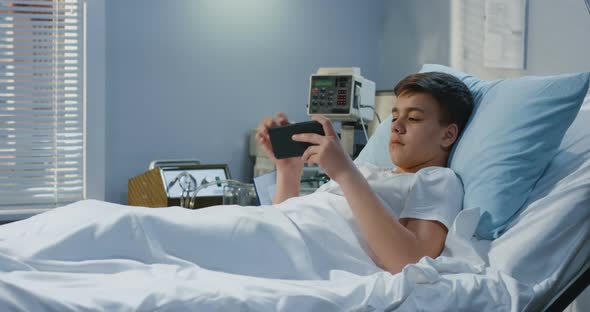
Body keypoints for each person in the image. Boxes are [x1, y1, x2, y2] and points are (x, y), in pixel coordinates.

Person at [256, 72, 474, 274]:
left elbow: (410, 261)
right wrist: (288, 170)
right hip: (272, 233)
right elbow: (288, 217)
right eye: (395, 116)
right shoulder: (366, 170)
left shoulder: (436, 179)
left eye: (414, 118)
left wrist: (345, 173)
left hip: (287, 252)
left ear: (448, 135)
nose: (396, 126)